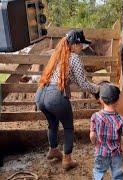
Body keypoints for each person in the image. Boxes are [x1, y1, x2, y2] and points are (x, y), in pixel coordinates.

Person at [35, 29, 100, 170]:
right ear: (75, 44)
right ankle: (67, 159)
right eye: (81, 44)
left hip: (41, 95)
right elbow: (82, 83)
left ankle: (53, 150)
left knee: (52, 124)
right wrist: (97, 89)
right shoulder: (74, 57)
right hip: (55, 96)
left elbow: (74, 80)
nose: (82, 47)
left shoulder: (57, 55)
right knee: (68, 128)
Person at [90, 84, 123, 180]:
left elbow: (92, 135)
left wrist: (95, 143)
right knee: (118, 173)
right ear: (117, 100)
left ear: (101, 100)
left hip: (101, 152)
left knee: (98, 172)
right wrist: (122, 147)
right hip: (116, 152)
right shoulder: (120, 118)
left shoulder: (95, 116)